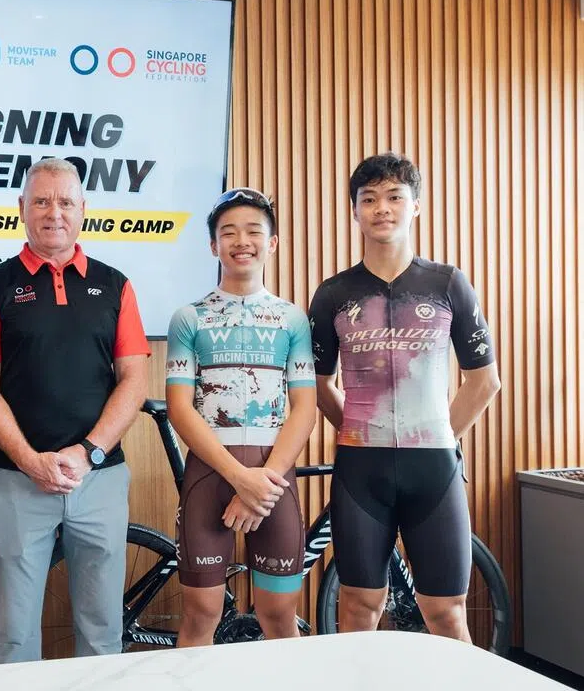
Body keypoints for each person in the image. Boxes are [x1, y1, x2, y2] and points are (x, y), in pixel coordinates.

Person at [308, 152, 501, 640]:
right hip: (360, 469)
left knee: (446, 612)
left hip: (433, 467)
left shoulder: (447, 283)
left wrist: (437, 433)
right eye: (369, 199)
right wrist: (357, 422)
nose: (382, 208)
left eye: (395, 197)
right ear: (354, 211)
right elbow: (318, 384)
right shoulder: (333, 294)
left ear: (415, 206)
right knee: (357, 607)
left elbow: (484, 380)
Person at [0, 157, 150, 663]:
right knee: (13, 636)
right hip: (17, 480)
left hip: (101, 477)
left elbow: (134, 380)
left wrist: (88, 453)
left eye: (65, 201)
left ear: (83, 209)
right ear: (21, 208)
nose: (54, 212)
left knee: (102, 633)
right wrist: (31, 460)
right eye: (41, 201)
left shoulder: (115, 285)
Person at [166, 188, 317, 646]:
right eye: (228, 232)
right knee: (200, 615)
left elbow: (305, 408)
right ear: (213, 246)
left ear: (272, 243)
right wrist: (240, 479)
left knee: (278, 615)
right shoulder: (189, 318)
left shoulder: (292, 319)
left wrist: (262, 484)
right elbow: (179, 408)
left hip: (275, 482)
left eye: (254, 231)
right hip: (210, 475)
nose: (241, 241)